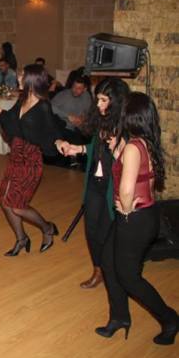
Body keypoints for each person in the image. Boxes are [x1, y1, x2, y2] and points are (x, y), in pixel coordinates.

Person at [93, 93, 177, 345]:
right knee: (108, 261)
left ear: (129, 116)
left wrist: (126, 208)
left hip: (135, 218)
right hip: (144, 216)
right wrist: (117, 152)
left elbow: (127, 189)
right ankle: (120, 317)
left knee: (129, 277)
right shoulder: (145, 142)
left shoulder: (132, 147)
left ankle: (170, 319)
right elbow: (140, 175)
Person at [0, 65, 64, 256]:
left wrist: (58, 141)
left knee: (17, 206)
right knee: (5, 202)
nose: (18, 78)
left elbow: (53, 130)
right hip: (16, 156)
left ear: (32, 79)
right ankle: (22, 239)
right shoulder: (22, 99)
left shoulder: (43, 106)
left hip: (31, 160)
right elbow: (8, 119)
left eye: (22, 75)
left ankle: (47, 228)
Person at [59, 78, 130, 289]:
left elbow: (130, 161)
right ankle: (98, 270)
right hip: (94, 183)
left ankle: (111, 273)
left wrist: (118, 149)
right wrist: (78, 149)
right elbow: (95, 148)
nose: (98, 104)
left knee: (106, 233)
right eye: (97, 99)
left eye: (103, 100)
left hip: (111, 187)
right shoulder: (101, 119)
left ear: (116, 102)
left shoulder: (125, 127)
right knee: (91, 229)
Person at [51, 74, 92, 145]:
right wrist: (68, 116)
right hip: (63, 127)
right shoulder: (63, 95)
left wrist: (83, 118)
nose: (75, 90)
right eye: (74, 86)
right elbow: (49, 106)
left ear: (85, 89)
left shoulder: (86, 96)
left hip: (78, 128)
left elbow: (88, 112)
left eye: (79, 88)